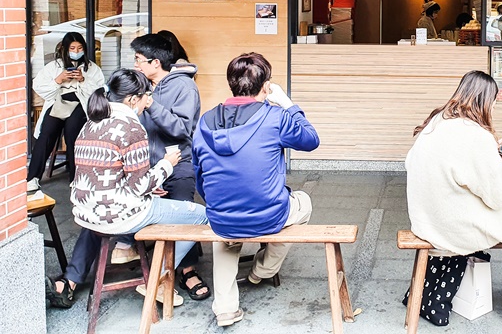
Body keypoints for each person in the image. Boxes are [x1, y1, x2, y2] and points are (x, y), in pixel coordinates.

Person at [45, 69, 208, 308]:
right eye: (146, 97)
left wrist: (149, 184)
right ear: (133, 99)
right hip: (123, 215)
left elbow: (107, 176)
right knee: (200, 215)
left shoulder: (90, 124)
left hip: (86, 213)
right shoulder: (132, 127)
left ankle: (71, 281)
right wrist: (166, 165)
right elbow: (139, 185)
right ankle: (158, 278)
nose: (147, 104)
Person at [405, 70, 502, 326]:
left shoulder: (436, 121)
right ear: (485, 101)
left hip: (426, 215)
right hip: (452, 223)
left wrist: (494, 156)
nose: (494, 107)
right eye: (494, 101)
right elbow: (497, 195)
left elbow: (455, 167)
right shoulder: (477, 135)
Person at [193, 53, 320, 327]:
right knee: (304, 202)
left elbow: (199, 174)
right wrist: (287, 103)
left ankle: (225, 307)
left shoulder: (204, 121)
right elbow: (311, 140)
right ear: (265, 86)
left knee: (224, 233)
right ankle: (263, 269)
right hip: (269, 216)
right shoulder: (275, 117)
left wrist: (218, 203)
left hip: (221, 217)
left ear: (231, 83)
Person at [122, 33, 209, 300]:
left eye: (139, 60)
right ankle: (76, 276)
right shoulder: (140, 85)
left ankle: (187, 270)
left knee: (185, 207)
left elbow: (182, 130)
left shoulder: (184, 87)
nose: (135, 65)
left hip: (179, 162)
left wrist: (151, 105)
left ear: (155, 62)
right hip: (146, 166)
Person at [27, 32, 105, 192]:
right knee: (47, 133)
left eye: (80, 48)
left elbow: (99, 92)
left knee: (72, 133)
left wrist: (83, 80)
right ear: (64, 48)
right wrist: (59, 80)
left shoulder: (92, 68)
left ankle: (76, 177)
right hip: (59, 103)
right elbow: (39, 87)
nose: (76, 51)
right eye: (72, 48)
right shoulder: (54, 66)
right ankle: (33, 177)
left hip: (79, 104)